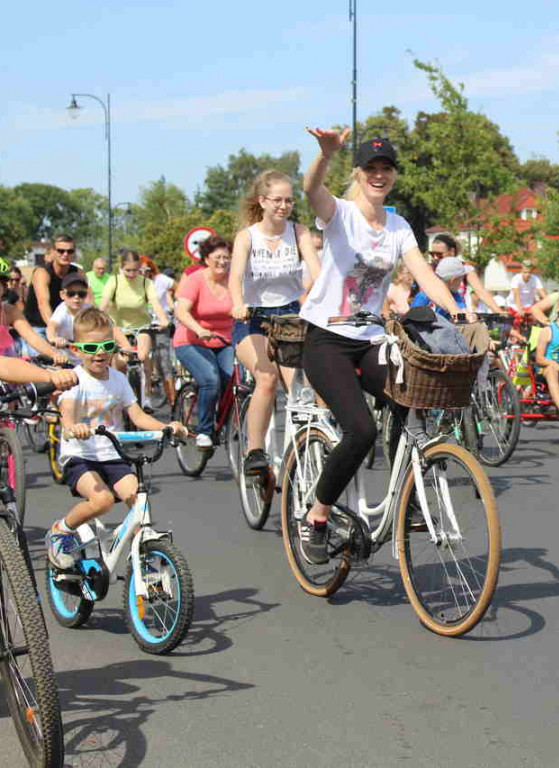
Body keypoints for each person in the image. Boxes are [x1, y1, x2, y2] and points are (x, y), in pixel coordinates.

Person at [299, 129, 468, 565]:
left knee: (410, 398)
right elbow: (311, 189)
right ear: (358, 173)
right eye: (370, 168)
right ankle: (318, 515)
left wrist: (457, 311)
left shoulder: (397, 225)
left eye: (386, 168)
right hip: (326, 340)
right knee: (361, 431)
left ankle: (408, 492)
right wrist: (326, 154)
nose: (379, 175)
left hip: (371, 337)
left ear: (393, 175)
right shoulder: (341, 214)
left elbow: (424, 274)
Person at [44, 308, 185, 570]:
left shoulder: (119, 379)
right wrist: (75, 427)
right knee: (103, 501)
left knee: (138, 500)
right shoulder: (76, 380)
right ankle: (60, 531)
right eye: (91, 347)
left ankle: (144, 558)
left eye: (107, 346)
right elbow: (68, 415)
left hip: (113, 455)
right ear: (76, 350)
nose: (100, 352)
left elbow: (138, 415)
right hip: (81, 456)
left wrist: (167, 427)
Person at [230, 170, 320, 475]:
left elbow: (317, 272)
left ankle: (311, 446)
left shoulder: (299, 232)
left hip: (291, 317)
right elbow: (235, 277)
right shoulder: (248, 237)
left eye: (289, 200)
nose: (284, 206)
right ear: (263, 201)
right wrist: (238, 303)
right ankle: (254, 451)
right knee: (266, 378)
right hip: (253, 319)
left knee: (302, 386)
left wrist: (329, 301)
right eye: (277, 200)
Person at [173, 237, 234, 449]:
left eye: (227, 257)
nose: (223, 262)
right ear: (206, 259)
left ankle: (227, 423)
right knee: (210, 379)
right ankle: (204, 430)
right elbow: (181, 310)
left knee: (234, 381)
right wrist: (198, 329)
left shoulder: (234, 280)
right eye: (218, 257)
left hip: (225, 339)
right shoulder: (196, 279)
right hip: (192, 340)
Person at [99, 251, 169, 410]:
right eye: (128, 270)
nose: (132, 274)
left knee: (143, 355)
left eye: (135, 270)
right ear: (121, 268)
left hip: (142, 326)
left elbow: (156, 304)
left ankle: (146, 398)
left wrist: (163, 320)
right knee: (121, 363)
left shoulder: (146, 283)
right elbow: (104, 303)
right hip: (119, 327)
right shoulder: (114, 281)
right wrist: (98, 317)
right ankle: (118, 394)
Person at [25, 235, 88, 336]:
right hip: (38, 327)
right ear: (53, 252)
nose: (65, 254)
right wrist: (53, 331)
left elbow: (88, 301)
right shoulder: (42, 273)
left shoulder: (79, 273)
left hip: (65, 327)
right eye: (60, 251)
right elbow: (43, 303)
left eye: (70, 251)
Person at [427, 234, 505, 314]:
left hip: (458, 314)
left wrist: (499, 312)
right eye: (432, 254)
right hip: (433, 316)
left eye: (439, 254)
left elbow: (481, 291)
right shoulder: (429, 268)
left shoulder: (464, 268)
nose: (435, 258)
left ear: (452, 252)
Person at [149, 262, 178, 407]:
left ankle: (173, 400)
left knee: (164, 362)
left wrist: (174, 306)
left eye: (146, 270)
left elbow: (179, 288)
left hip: (160, 324)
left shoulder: (161, 280)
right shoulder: (135, 281)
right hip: (143, 325)